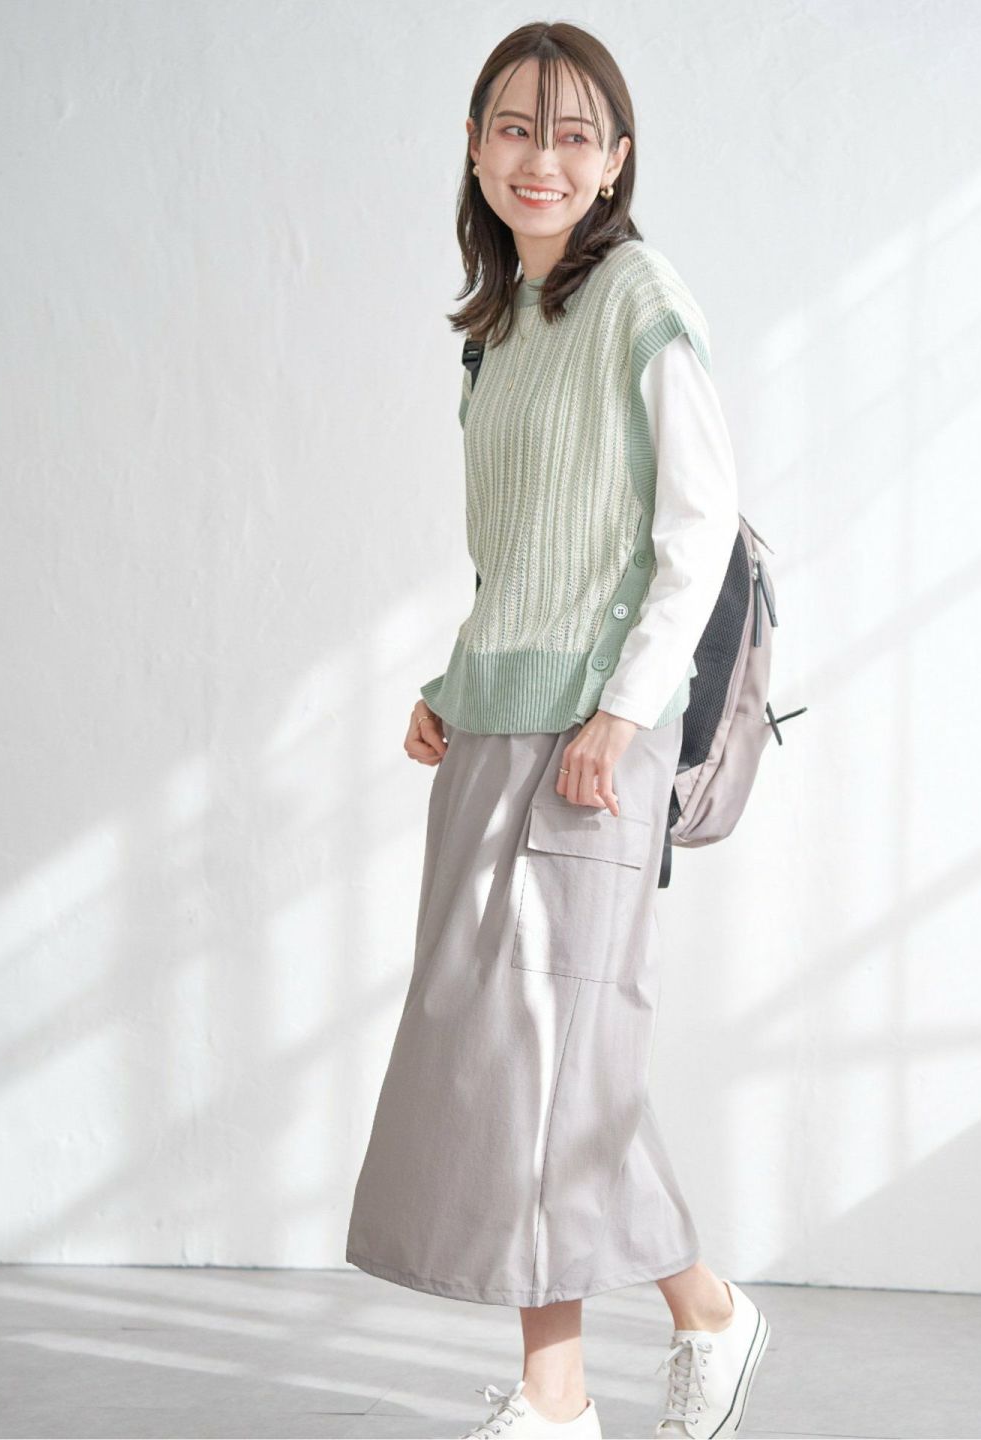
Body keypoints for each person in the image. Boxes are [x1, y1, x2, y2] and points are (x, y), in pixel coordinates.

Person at [346, 21, 771, 1440]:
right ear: (476, 149)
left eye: (575, 133)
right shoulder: (496, 333)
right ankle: (682, 1325)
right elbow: (524, 552)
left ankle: (576, 1387)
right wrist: (452, 685)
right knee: (516, 1058)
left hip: (596, 741)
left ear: (616, 159)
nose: (544, 158)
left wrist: (623, 711)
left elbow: (698, 526)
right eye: (516, 129)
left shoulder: (642, 297)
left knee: (556, 1058)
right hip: (498, 727)